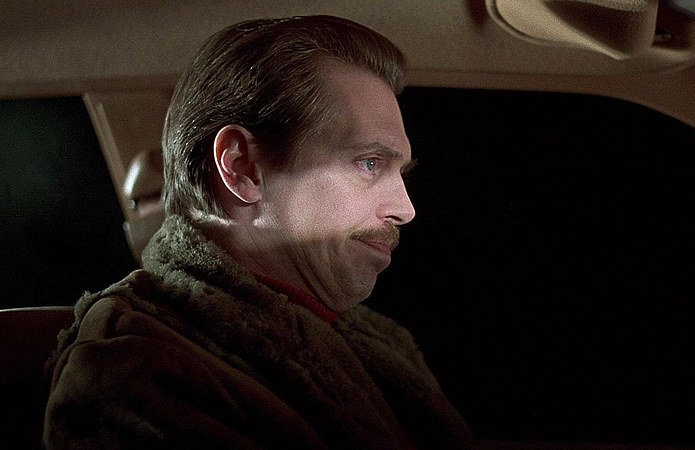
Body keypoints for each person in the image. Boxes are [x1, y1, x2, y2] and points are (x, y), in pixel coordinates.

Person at [42, 15, 474, 449]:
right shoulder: (134, 372)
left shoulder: (375, 341)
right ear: (242, 168)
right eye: (369, 163)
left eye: (401, 173)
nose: (405, 210)